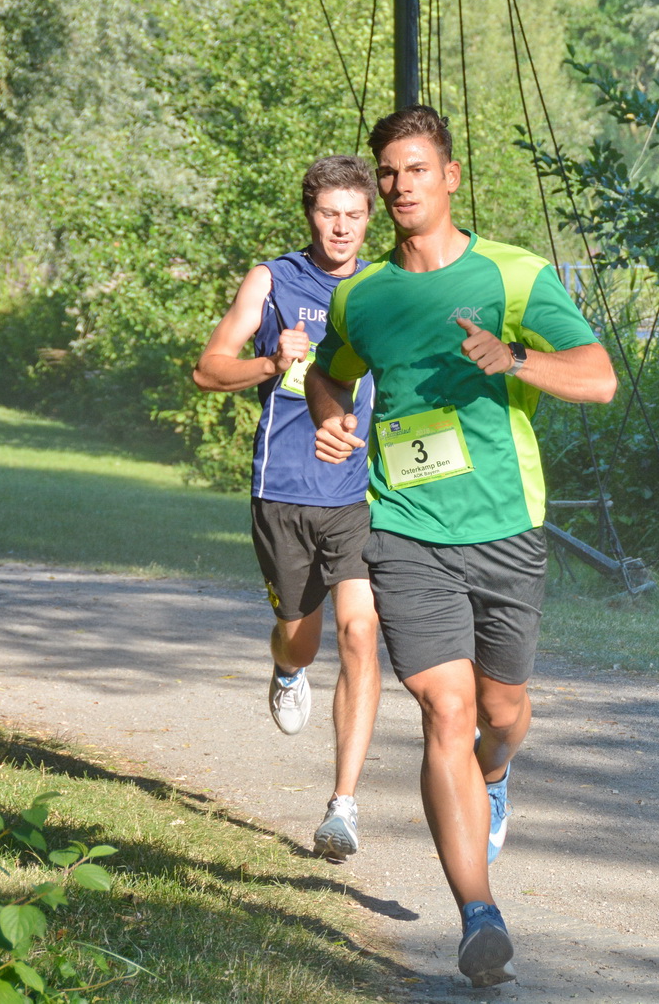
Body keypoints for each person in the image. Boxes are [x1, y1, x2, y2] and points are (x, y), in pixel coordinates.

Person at [307, 106, 615, 988]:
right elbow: (330, 372)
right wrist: (332, 419)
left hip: (507, 530)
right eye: (389, 173)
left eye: (416, 169)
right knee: (445, 709)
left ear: (448, 177)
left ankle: (495, 774)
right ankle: (479, 914)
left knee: (503, 712)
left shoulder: (513, 275)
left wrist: (514, 358)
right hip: (405, 530)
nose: (401, 186)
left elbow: (597, 377)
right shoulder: (360, 295)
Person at [192, 155, 382, 860]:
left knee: (361, 633)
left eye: (354, 215)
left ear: (370, 219)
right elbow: (208, 368)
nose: (341, 227)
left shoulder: (384, 287)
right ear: (310, 213)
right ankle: (288, 668)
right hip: (284, 490)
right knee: (300, 635)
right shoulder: (271, 280)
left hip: (360, 494)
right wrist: (272, 363)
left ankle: (343, 806)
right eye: (329, 212)